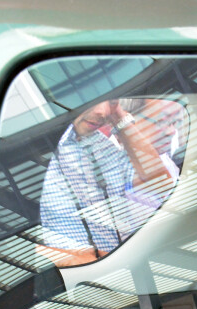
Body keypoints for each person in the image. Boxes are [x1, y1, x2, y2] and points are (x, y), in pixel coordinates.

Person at [38, 99, 176, 266]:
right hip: (107, 279)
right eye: (92, 100)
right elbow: (71, 256)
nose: (102, 112)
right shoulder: (55, 162)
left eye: (110, 103)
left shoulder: (99, 145)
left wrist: (119, 116)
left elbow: (159, 184)